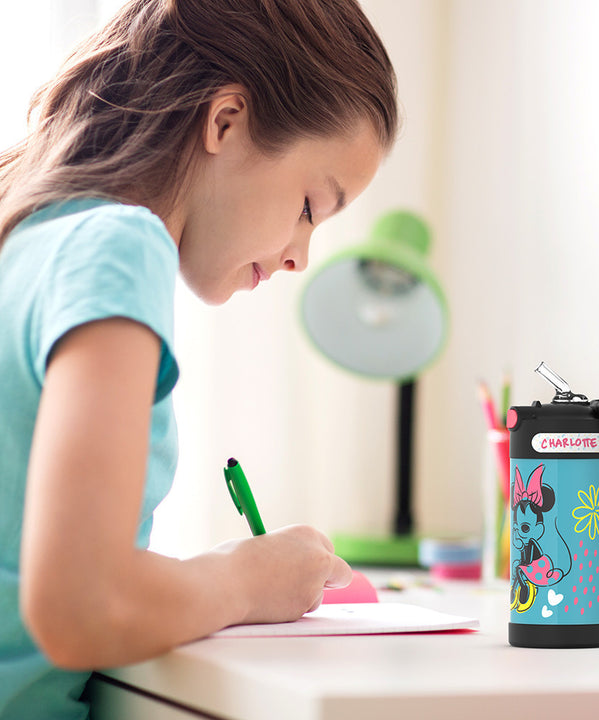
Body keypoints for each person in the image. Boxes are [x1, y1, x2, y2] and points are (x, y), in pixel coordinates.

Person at [0, 0, 398, 715]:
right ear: (224, 121)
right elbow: (77, 607)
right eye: (311, 205)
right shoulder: (118, 245)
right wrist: (247, 580)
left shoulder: (29, 236)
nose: (299, 256)